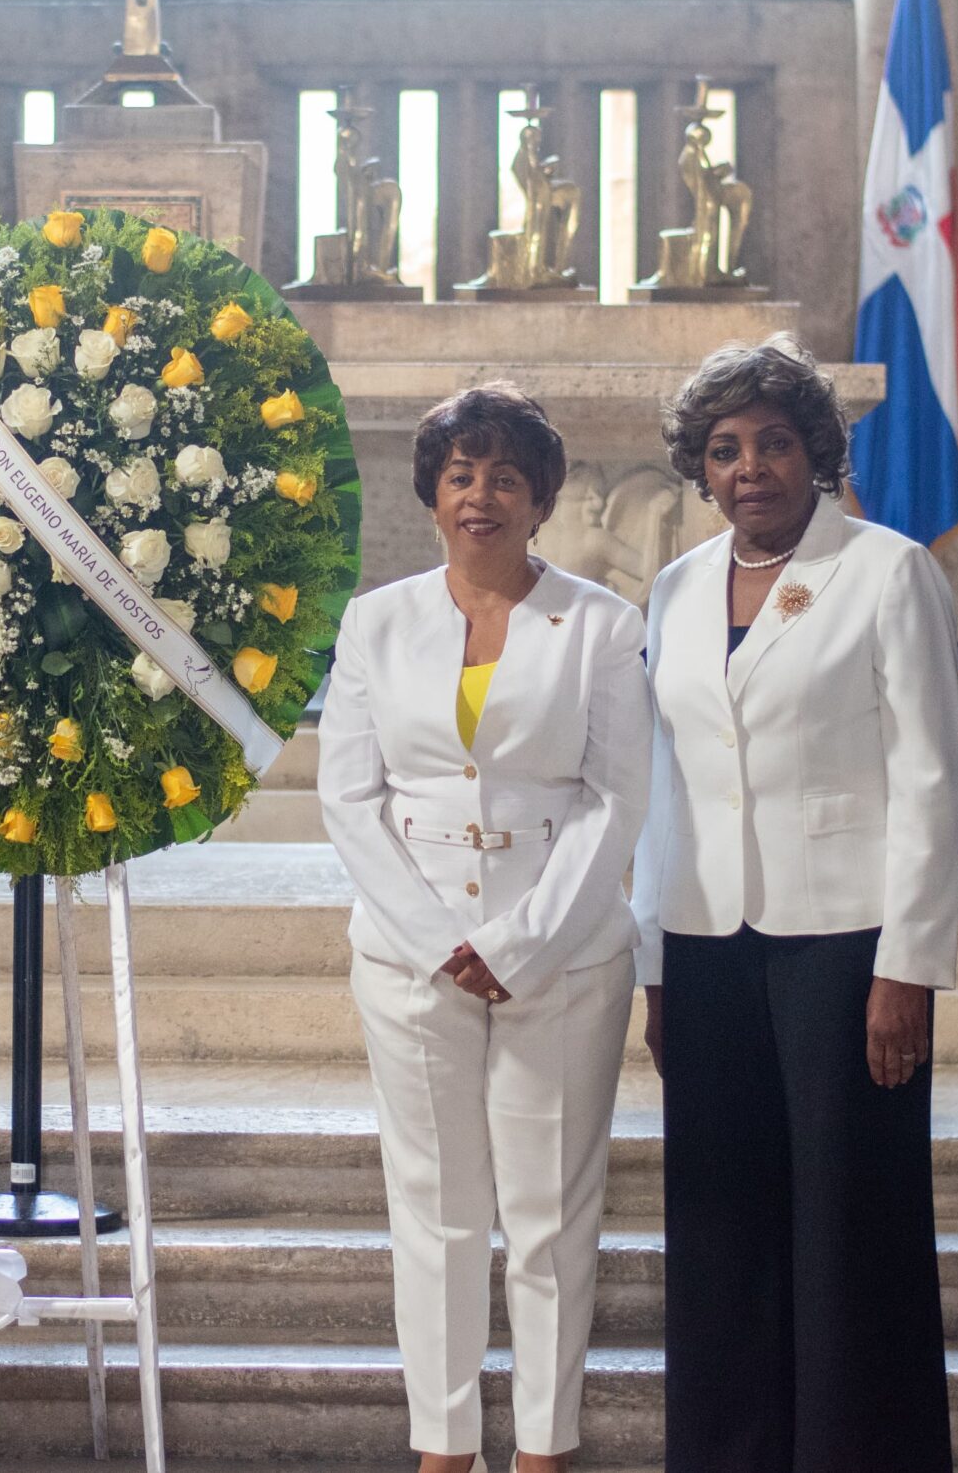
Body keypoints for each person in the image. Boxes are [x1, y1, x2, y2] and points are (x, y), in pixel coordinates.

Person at [631, 337, 958, 1473]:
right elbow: (664, 782)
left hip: (846, 943)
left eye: (773, 442)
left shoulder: (886, 569)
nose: (750, 466)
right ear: (701, 470)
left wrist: (908, 963)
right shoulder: (674, 590)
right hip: (706, 940)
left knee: (849, 1226)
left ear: (815, 451)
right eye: (724, 450)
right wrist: (655, 965)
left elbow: (931, 771)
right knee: (720, 1229)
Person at [317, 383, 652, 1473]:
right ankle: (444, 1445)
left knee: (551, 1213)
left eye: (506, 474)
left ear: (541, 498)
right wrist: (434, 939)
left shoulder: (602, 622)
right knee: (436, 1210)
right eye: (461, 473)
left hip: (562, 959)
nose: (481, 493)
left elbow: (615, 796)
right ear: (432, 494)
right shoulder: (376, 620)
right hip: (412, 962)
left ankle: (545, 1447)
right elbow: (348, 797)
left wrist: (520, 942)